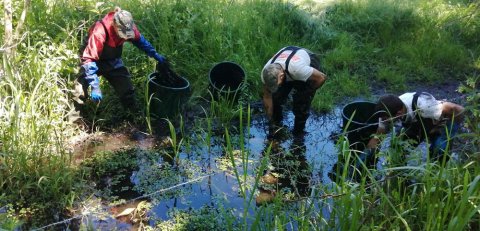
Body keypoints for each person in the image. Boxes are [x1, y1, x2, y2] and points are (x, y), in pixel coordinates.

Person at [73, 7, 166, 122]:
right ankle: (75, 120)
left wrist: (155, 54)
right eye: (123, 34)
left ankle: (134, 116)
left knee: (126, 88)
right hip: (91, 60)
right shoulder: (100, 31)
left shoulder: (128, 26)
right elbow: (89, 59)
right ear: (114, 26)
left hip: (112, 59)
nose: (126, 36)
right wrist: (95, 86)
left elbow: (140, 41)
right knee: (80, 90)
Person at [367, 92, 465, 161]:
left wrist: (449, 132)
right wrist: (366, 157)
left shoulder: (425, 106)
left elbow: (459, 109)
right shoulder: (386, 112)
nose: (383, 121)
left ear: (398, 114)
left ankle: (435, 176)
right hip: (416, 123)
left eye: (385, 119)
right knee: (397, 149)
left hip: (440, 122)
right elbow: (377, 138)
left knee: (439, 151)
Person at [261, 46, 327, 138]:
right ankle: (276, 124)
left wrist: (307, 92)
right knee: (275, 98)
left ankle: (298, 133)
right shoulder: (266, 73)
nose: (274, 87)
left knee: (301, 103)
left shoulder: (298, 70)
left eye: (276, 85)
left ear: (281, 76)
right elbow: (267, 96)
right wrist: (270, 120)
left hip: (307, 59)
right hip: (288, 63)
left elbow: (322, 77)